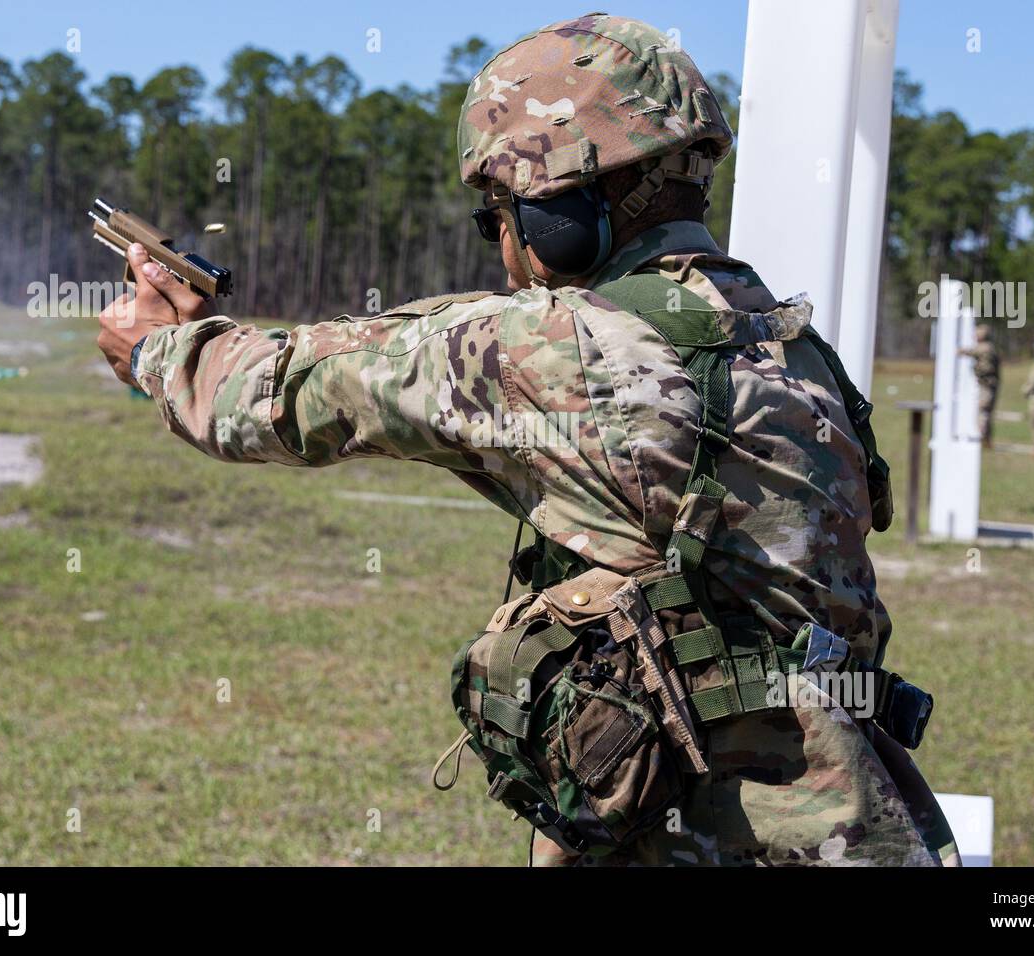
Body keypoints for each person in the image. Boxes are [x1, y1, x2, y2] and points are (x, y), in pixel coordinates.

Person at [97, 12, 957, 867]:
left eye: (500, 216)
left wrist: (159, 348)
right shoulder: (795, 344)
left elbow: (275, 397)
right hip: (864, 827)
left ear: (563, 212)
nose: (505, 254)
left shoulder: (560, 349)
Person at [960, 324, 1001, 448]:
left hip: (987, 385)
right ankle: (986, 440)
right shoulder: (989, 347)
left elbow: (971, 352)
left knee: (984, 411)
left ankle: (984, 439)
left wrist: (957, 350)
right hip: (989, 384)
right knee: (986, 411)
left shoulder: (984, 347)